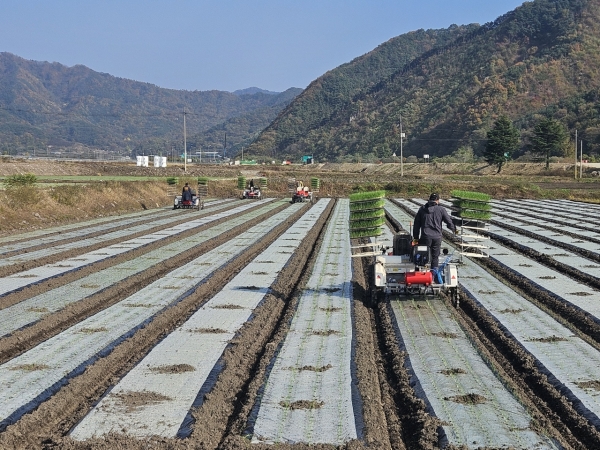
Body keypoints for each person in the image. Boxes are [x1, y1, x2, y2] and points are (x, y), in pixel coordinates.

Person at [412, 193, 456, 268]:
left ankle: (422, 274)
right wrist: (454, 229)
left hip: (425, 237)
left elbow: (416, 225)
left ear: (429, 199)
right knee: (435, 257)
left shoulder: (422, 209)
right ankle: (433, 275)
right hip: (437, 237)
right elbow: (448, 221)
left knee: (423, 255)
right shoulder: (441, 209)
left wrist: (416, 238)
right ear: (437, 200)